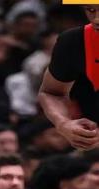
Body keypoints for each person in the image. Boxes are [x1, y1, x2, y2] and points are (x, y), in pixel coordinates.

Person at [38, 5, 99, 150]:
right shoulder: (74, 41)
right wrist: (63, 123)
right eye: (91, 10)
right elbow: (51, 93)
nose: (97, 19)